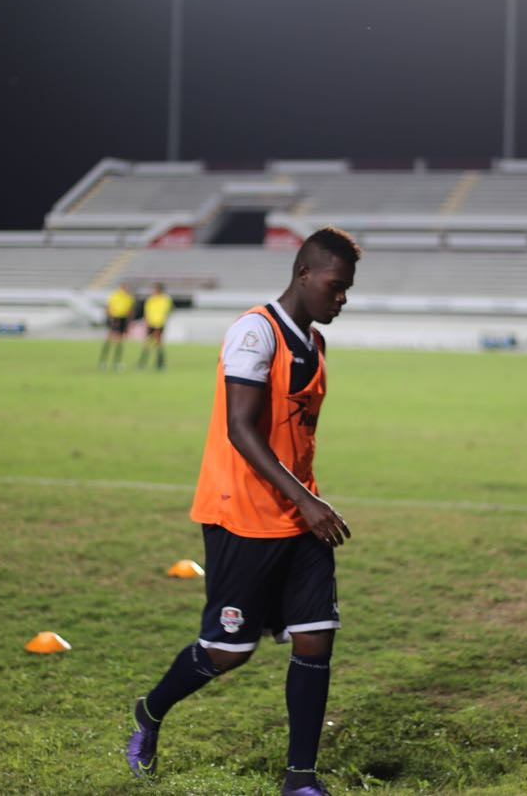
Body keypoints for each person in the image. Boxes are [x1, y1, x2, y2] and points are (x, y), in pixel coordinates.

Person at [126, 227, 361, 796]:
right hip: (244, 516)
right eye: (335, 285)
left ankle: (299, 778)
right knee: (228, 651)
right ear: (304, 273)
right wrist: (307, 500)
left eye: (348, 289)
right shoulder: (254, 333)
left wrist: (305, 500)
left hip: (300, 515)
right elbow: (240, 429)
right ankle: (150, 713)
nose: (342, 298)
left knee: (315, 637)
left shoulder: (315, 343)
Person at [98, 282, 135, 371]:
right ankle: (104, 361)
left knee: (120, 341)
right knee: (109, 340)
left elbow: (130, 311)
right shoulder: (115, 295)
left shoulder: (129, 297)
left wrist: (128, 324)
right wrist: (111, 319)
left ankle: (117, 362)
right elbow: (108, 307)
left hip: (123, 319)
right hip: (114, 319)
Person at [137, 282, 173, 371]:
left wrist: (161, 322)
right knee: (147, 343)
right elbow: (147, 311)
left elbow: (166, 311)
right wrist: (147, 322)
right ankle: (143, 362)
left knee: (158, 343)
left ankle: (160, 363)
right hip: (151, 324)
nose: (154, 291)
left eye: (156, 289)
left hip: (159, 324)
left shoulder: (165, 299)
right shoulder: (151, 299)